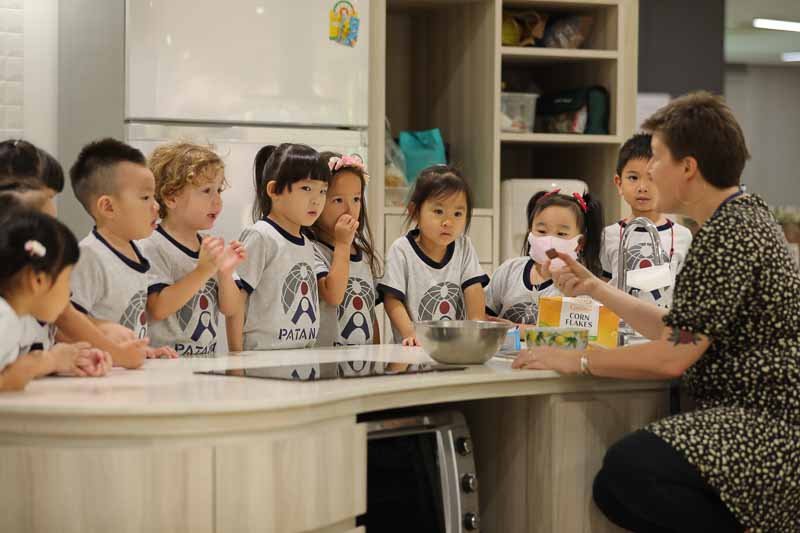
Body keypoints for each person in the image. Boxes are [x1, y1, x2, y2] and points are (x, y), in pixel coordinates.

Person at [513, 91, 799, 532]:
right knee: (622, 477)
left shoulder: (730, 234)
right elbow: (683, 330)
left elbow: (673, 353)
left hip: (769, 426)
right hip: (758, 417)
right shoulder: (738, 218)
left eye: (658, 160)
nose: (650, 173)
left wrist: (578, 359)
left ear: (688, 168)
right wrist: (596, 288)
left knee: (629, 471)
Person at [140, 142, 245, 357]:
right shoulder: (151, 244)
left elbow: (231, 308)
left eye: (219, 191)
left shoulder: (209, 246)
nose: (217, 201)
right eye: (206, 191)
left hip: (205, 367)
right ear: (171, 198)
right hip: (165, 369)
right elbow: (158, 308)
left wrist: (225, 274)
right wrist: (202, 272)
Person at [229, 143, 329, 351]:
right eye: (306, 188)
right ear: (274, 190)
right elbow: (236, 304)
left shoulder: (307, 243)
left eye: (322, 191)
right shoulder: (261, 236)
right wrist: (236, 359)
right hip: (263, 360)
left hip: (302, 358)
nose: (316, 200)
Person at [378, 165, 488, 346]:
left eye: (458, 213)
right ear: (414, 212)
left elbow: (474, 289)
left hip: (453, 347)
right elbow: (392, 300)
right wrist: (410, 333)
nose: (448, 222)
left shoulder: (464, 246)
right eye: (438, 211)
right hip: (412, 349)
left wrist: (477, 328)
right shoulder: (402, 250)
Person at [485, 189, 602, 328]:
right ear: (530, 232)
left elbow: (575, 334)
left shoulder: (580, 284)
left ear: (579, 243)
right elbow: (485, 317)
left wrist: (516, 329)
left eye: (561, 233)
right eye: (541, 231)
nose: (549, 240)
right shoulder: (509, 271)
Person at [600, 132, 692, 308]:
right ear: (619, 183)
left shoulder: (683, 236)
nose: (642, 188)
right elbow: (604, 284)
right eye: (633, 178)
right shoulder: (608, 235)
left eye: (652, 178)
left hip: (662, 327)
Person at [311, 152, 381, 346]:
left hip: (364, 365)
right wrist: (342, 245)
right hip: (328, 367)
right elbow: (333, 295)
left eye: (356, 199)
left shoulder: (363, 254)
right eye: (338, 201)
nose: (350, 210)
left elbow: (370, 313)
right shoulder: (312, 250)